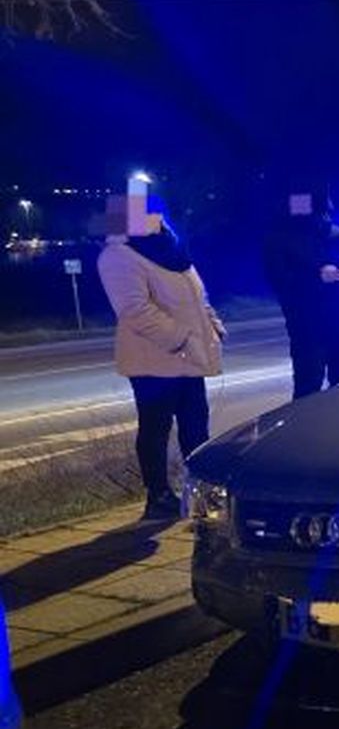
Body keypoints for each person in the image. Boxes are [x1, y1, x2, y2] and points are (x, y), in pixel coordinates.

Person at [96, 191, 226, 521]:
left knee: (196, 427)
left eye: (156, 212)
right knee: (155, 428)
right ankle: (159, 496)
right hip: (153, 360)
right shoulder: (118, 255)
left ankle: (202, 490)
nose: (157, 219)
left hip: (188, 358)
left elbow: (199, 295)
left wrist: (212, 323)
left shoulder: (172, 249)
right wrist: (181, 339)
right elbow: (135, 311)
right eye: (147, 213)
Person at [262, 185, 339, 398]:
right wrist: (317, 277)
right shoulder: (281, 239)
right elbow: (280, 281)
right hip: (310, 329)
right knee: (309, 393)